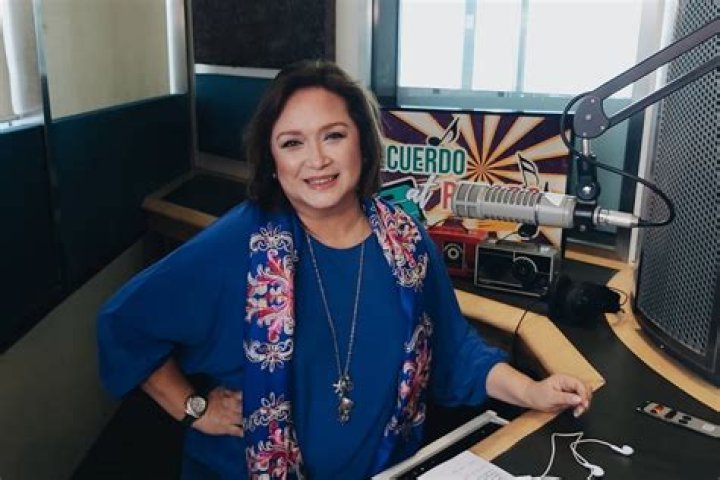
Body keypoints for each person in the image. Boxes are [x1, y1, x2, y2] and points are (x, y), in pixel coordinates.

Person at [97, 59, 591, 480]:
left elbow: (455, 352)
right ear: (271, 159)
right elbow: (124, 324)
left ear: (363, 144)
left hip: (385, 468)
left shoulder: (406, 239)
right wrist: (195, 409)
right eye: (292, 143)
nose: (316, 160)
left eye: (333, 135)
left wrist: (531, 391)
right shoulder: (237, 243)